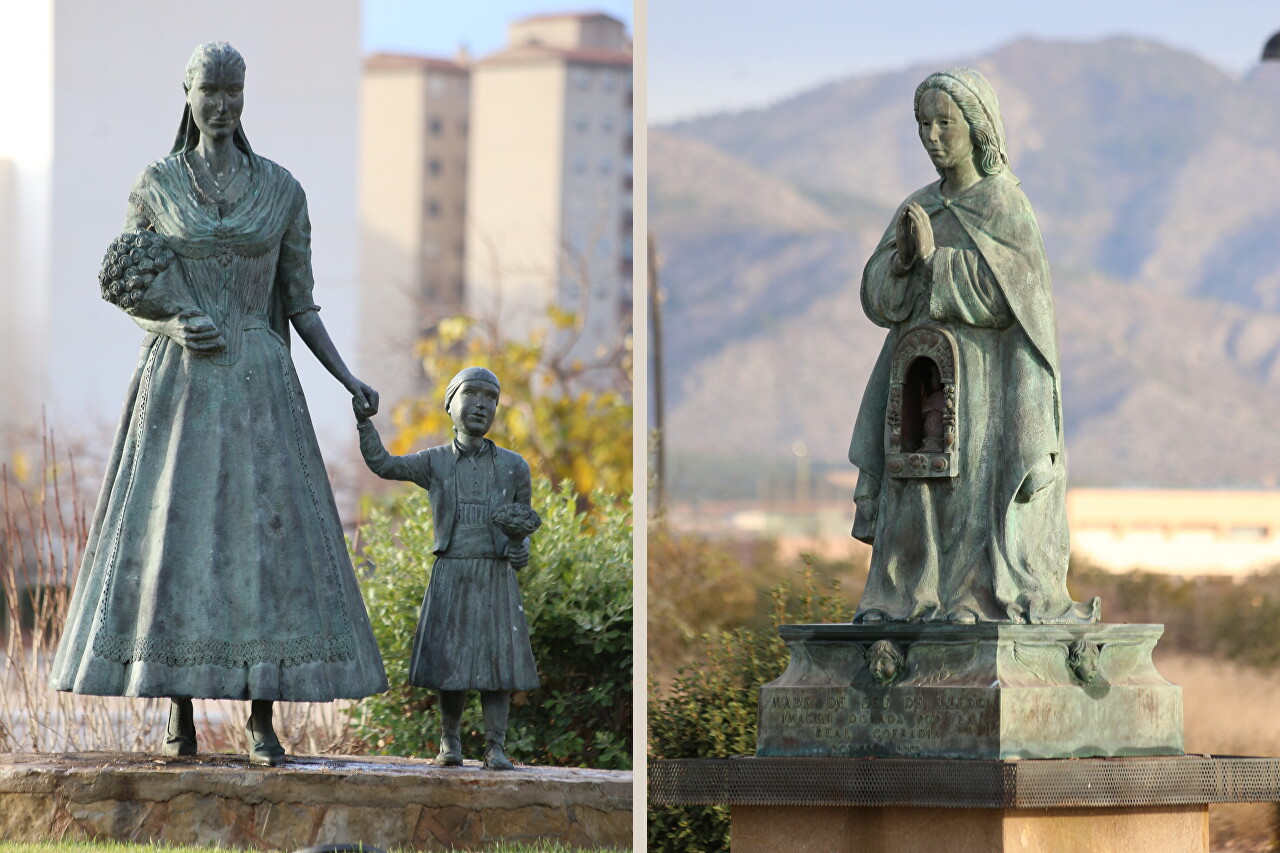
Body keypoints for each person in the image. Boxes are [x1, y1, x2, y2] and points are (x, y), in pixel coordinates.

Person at [49, 42, 388, 765]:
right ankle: (180, 709)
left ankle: (263, 714)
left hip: (261, 388)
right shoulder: (156, 183)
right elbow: (131, 287)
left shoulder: (283, 190)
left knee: (262, 547)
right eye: (211, 92)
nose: (223, 105)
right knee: (180, 542)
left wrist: (347, 378)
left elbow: (299, 303)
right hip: (181, 385)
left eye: (234, 92)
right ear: (188, 94)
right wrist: (171, 321)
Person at [848, 68, 1098, 625]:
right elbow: (877, 296)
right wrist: (905, 261)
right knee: (914, 484)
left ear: (977, 127)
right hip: (916, 378)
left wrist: (936, 262)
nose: (932, 136)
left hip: (985, 379)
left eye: (944, 123)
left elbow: (1011, 296)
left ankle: (972, 597)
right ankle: (906, 597)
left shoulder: (1005, 206)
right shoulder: (918, 206)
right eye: (923, 124)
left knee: (968, 486)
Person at [355, 367, 540, 770]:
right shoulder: (434, 462)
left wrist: (520, 548)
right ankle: (450, 743)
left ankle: (496, 747)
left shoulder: (514, 466)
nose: (481, 404)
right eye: (471, 394)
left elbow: (524, 522)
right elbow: (385, 465)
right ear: (449, 404)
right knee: (450, 664)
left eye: (490, 397)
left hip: (494, 573)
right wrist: (364, 422)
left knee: (498, 664)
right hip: (452, 570)